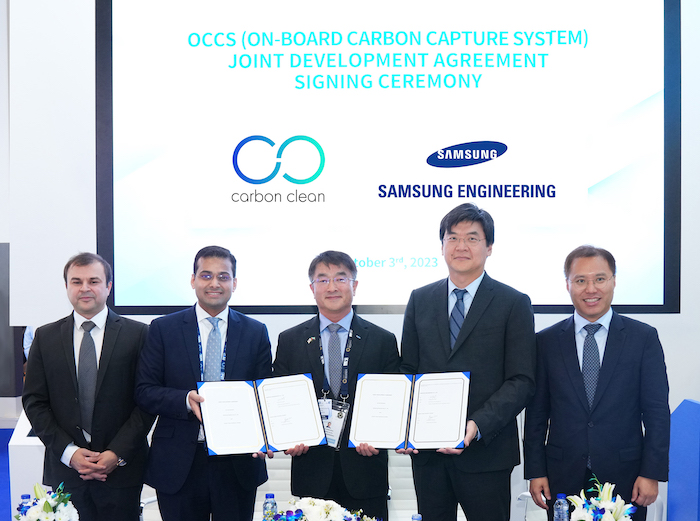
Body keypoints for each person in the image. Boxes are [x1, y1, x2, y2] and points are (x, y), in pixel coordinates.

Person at [399, 203, 536, 521]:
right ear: (442, 246)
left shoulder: (513, 302)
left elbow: (521, 380)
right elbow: (409, 370)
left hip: (487, 453)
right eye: (453, 237)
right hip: (429, 456)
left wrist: (477, 425)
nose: (461, 246)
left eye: (472, 238)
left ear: (489, 247)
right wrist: (403, 425)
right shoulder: (420, 299)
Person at [524, 245, 670, 521]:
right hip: (562, 475)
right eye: (580, 280)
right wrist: (536, 471)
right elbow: (536, 415)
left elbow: (657, 413)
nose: (591, 289)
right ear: (567, 285)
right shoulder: (546, 342)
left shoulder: (642, 338)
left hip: (627, 476)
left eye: (600, 279)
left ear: (613, 281)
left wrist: (652, 473)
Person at [135, 245, 272, 521]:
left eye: (223, 277)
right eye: (206, 275)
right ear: (193, 280)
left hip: (238, 462)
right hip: (178, 463)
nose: (214, 283)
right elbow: (144, 391)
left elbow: (263, 396)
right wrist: (185, 400)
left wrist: (266, 436)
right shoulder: (163, 329)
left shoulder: (255, 332)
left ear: (234, 283)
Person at [23, 252, 153, 521]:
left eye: (94, 281)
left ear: (108, 286)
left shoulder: (139, 334)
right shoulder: (45, 337)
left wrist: (116, 454)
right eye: (76, 281)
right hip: (67, 469)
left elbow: (147, 400)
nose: (85, 288)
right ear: (66, 286)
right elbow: (35, 401)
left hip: (121, 471)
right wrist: (69, 453)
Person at [273, 251, 400, 520]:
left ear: (355, 285)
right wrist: (287, 439)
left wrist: (380, 438)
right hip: (311, 475)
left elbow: (393, 403)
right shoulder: (290, 340)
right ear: (312, 288)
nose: (332, 287)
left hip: (366, 473)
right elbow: (279, 401)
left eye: (340, 278)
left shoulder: (383, 340)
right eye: (323, 280)